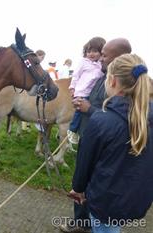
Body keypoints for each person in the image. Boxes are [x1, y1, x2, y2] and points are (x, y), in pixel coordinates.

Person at [70, 53, 152, 233]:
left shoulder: (101, 121)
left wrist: (78, 189)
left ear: (113, 81)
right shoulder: (146, 119)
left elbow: (84, 163)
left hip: (106, 203)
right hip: (137, 199)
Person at [59, 38, 132, 233]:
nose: (100, 58)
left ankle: (91, 224)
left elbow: (117, 118)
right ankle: (82, 222)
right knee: (83, 180)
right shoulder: (102, 77)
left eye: (105, 55)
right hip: (89, 136)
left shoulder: (122, 85)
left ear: (119, 57)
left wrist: (89, 109)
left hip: (101, 144)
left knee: (92, 184)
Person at [67, 37, 106, 144]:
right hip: (81, 91)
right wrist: (72, 87)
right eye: (88, 51)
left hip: (91, 93)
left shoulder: (100, 65)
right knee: (79, 111)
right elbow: (76, 75)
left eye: (95, 51)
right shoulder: (84, 62)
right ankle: (72, 129)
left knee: (86, 112)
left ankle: (80, 131)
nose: (91, 54)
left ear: (101, 52)